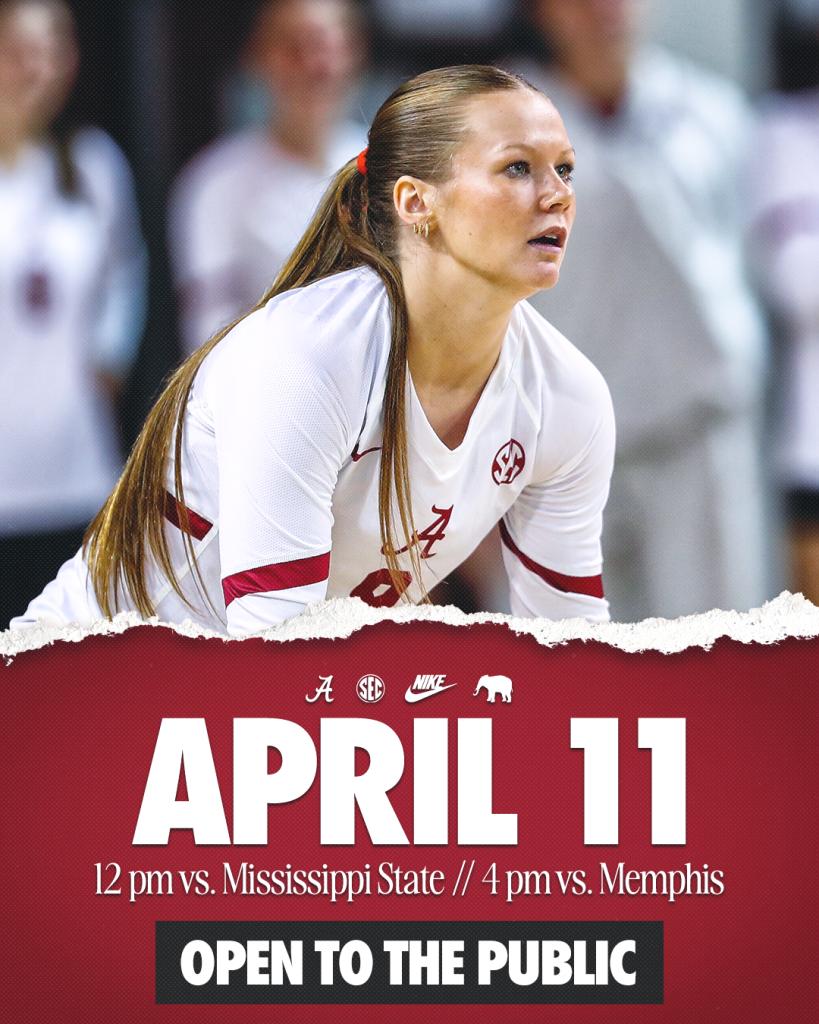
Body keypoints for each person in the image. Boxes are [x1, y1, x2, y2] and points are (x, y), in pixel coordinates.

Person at [12, 65, 615, 637]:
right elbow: (278, 660)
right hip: (88, 683)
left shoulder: (569, 396)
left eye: (565, 169)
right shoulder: (307, 359)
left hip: (264, 689)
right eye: (517, 168)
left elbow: (572, 651)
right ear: (415, 202)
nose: (558, 195)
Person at [507, 0, 772, 621]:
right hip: (558, 455)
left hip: (695, 438)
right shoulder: (498, 127)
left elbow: (757, 283)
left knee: (713, 659)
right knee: (566, 666)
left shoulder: (712, 114)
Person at [0, 0, 146, 630]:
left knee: (67, 665)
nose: (34, 69)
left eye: (48, 51)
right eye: (16, 51)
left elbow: (125, 273)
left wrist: (109, 361)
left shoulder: (92, 163)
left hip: (76, 470)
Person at [169, 0, 367, 355]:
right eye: (292, 48)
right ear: (259, 58)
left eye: (323, 45)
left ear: (353, 53)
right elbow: (208, 333)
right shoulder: (216, 182)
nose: (311, 65)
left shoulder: (386, 166)